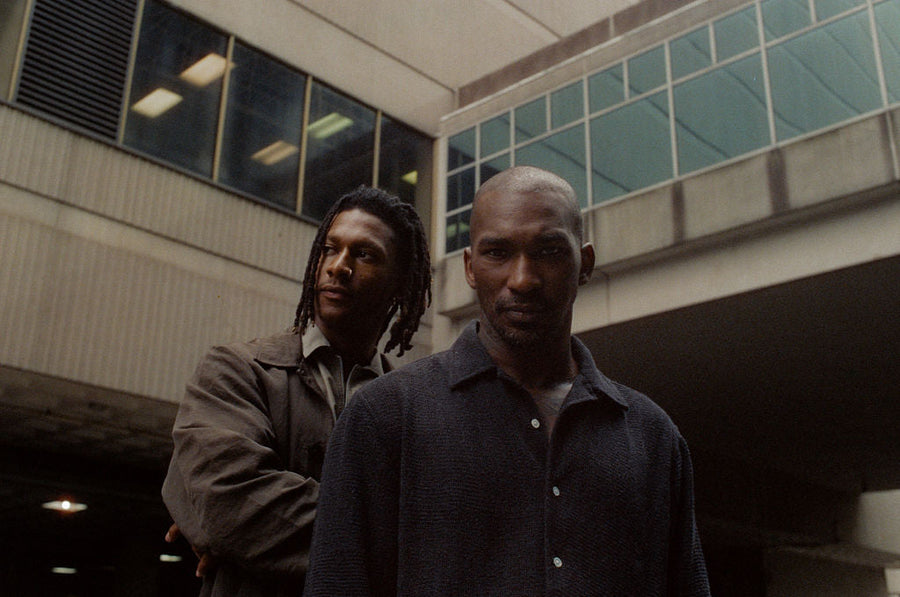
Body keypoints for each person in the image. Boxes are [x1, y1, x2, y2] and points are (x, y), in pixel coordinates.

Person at [304, 166, 711, 596]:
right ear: (470, 267)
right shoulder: (384, 417)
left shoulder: (653, 435)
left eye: (549, 251)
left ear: (585, 263)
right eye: (497, 252)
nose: (522, 280)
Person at [161, 186, 432, 597]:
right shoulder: (237, 369)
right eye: (330, 249)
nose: (338, 266)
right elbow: (233, 509)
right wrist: (400, 536)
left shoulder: (417, 409)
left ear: (399, 283)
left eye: (364, 254)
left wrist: (258, 544)